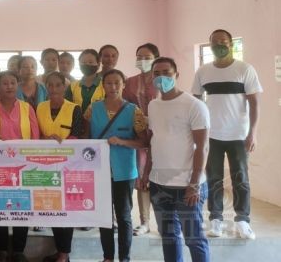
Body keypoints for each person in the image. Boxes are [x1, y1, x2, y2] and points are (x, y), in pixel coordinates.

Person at [192, 29, 262, 239]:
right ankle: (216, 220)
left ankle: (242, 221)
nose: (219, 45)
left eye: (223, 42)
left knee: (240, 177)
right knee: (213, 177)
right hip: (211, 135)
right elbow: (196, 101)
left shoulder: (244, 69)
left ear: (231, 44)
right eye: (214, 42)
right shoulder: (203, 71)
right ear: (210, 44)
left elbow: (255, 103)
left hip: (239, 135)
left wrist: (253, 133)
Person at [144, 57, 210, 262]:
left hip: (186, 185)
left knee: (194, 239)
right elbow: (155, 141)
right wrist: (147, 173)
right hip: (159, 183)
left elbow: (203, 146)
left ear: (176, 75)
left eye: (167, 72)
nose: (161, 77)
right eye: (156, 73)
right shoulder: (153, 105)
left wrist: (194, 184)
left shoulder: (194, 105)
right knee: (169, 237)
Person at [84, 70, 147, 262]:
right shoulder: (92, 109)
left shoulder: (133, 111)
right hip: (99, 170)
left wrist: (122, 141)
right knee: (104, 216)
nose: (113, 87)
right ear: (103, 85)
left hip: (124, 171)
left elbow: (144, 143)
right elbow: (85, 139)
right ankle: (108, 257)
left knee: (124, 216)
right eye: (109, 83)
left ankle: (124, 258)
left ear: (123, 85)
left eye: (116, 83)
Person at [0, 71, 40, 262]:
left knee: (22, 206)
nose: (9, 86)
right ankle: (2, 250)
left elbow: (35, 136)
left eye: (13, 83)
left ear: (17, 85)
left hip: (22, 165)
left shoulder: (26, 107)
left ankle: (19, 250)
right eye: (5, 83)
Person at [37, 72, 84, 262]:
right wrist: (43, 140)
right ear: (46, 87)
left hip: (68, 166)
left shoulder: (75, 108)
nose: (54, 89)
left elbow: (79, 135)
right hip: (43, 164)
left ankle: (64, 254)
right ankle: (60, 251)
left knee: (66, 209)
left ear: (64, 87)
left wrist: (63, 142)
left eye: (58, 85)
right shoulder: (39, 107)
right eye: (51, 85)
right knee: (53, 207)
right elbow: (35, 132)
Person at [122, 43, 159, 236]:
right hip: (138, 136)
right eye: (139, 56)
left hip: (160, 135)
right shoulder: (130, 82)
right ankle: (145, 221)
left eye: (147, 56)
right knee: (142, 178)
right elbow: (124, 105)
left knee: (160, 178)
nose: (142, 60)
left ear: (156, 58)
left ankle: (164, 220)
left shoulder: (162, 81)